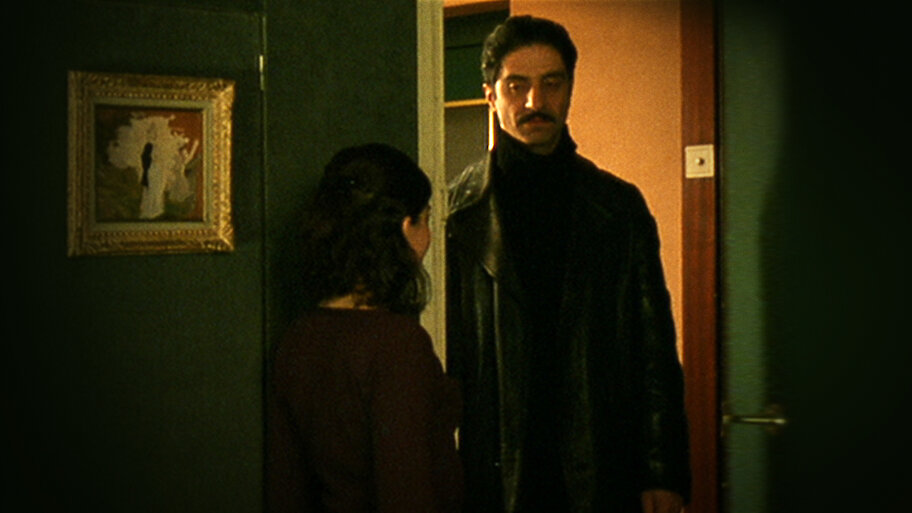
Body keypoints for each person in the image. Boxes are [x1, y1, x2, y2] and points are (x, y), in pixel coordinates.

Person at [445, 16, 691, 513]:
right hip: (494, 470)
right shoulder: (459, 212)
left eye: (551, 83)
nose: (535, 101)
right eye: (517, 85)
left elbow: (654, 350)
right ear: (491, 95)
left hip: (600, 464)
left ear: (570, 89)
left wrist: (662, 471)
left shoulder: (617, 208)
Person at [267, 143, 462, 512]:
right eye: (426, 219)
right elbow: (406, 494)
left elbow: (285, 488)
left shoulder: (297, 339)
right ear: (404, 228)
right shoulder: (397, 345)